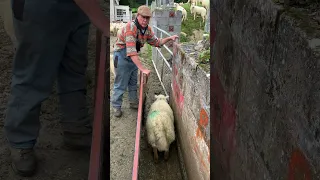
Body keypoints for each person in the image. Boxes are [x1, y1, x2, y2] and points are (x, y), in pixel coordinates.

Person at [4, 0, 109, 177]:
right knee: (33, 74)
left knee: (74, 68)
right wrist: (104, 23)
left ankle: (75, 126)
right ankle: (21, 142)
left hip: (77, 8)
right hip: (39, 8)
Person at [111, 5, 179, 117]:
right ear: (137, 16)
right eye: (143, 17)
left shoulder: (147, 30)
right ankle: (116, 106)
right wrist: (142, 68)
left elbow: (157, 42)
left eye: (147, 18)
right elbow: (131, 51)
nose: (145, 20)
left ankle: (133, 102)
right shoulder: (131, 27)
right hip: (122, 56)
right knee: (121, 83)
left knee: (133, 82)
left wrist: (169, 38)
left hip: (133, 57)